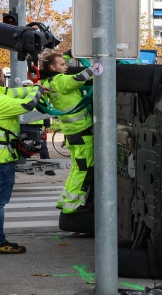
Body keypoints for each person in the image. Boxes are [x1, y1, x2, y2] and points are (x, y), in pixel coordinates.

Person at [41, 53, 95, 214]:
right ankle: (72, 207)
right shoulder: (60, 80)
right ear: (53, 67)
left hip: (72, 132)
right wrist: (100, 65)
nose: (66, 67)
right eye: (63, 64)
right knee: (84, 170)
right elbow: (79, 78)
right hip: (82, 131)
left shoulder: (49, 82)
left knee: (77, 169)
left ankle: (65, 200)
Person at [0, 68, 46, 254]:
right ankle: (0, 242)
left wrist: (33, 86)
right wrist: (39, 90)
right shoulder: (2, 101)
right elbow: (28, 105)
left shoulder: (4, 95)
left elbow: (15, 92)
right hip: (2, 160)